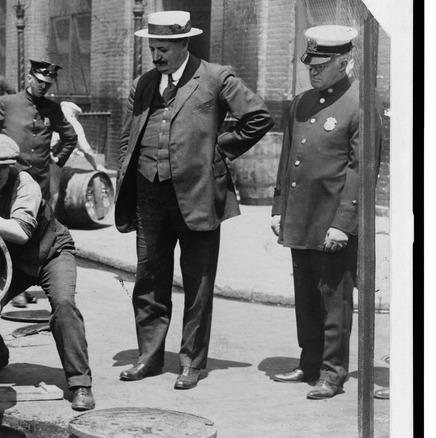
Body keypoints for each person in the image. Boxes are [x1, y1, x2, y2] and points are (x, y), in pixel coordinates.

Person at [115, 11, 273, 390]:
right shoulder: (145, 82)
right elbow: (129, 135)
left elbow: (258, 117)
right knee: (149, 278)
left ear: (184, 43)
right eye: (152, 48)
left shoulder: (217, 77)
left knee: (198, 282)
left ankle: (191, 362)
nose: (157, 56)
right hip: (150, 194)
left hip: (198, 194)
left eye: (164, 48)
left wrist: (218, 152)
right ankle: (149, 358)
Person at [0, 133, 95, 412]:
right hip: (14, 262)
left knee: (64, 305)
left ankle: (80, 383)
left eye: (4, 166)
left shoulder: (24, 183)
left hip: (51, 253)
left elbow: (21, 232)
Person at [270, 25, 380, 400]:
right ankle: (310, 363)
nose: (313, 71)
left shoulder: (360, 103)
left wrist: (343, 224)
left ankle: (333, 373)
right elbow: (289, 159)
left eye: (321, 65)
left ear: (344, 61)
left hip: (333, 221)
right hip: (300, 217)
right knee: (306, 297)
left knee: (334, 298)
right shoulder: (301, 102)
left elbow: (361, 170)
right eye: (310, 64)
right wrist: (278, 207)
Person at [0, 59, 78, 308]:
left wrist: (56, 161)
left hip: (41, 183)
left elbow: (70, 137)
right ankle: (13, 286)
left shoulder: (52, 109)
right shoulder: (9, 103)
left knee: (39, 232)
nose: (42, 88)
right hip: (9, 183)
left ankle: (42, 280)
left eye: (47, 84)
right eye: (39, 82)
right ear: (29, 78)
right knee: (10, 232)